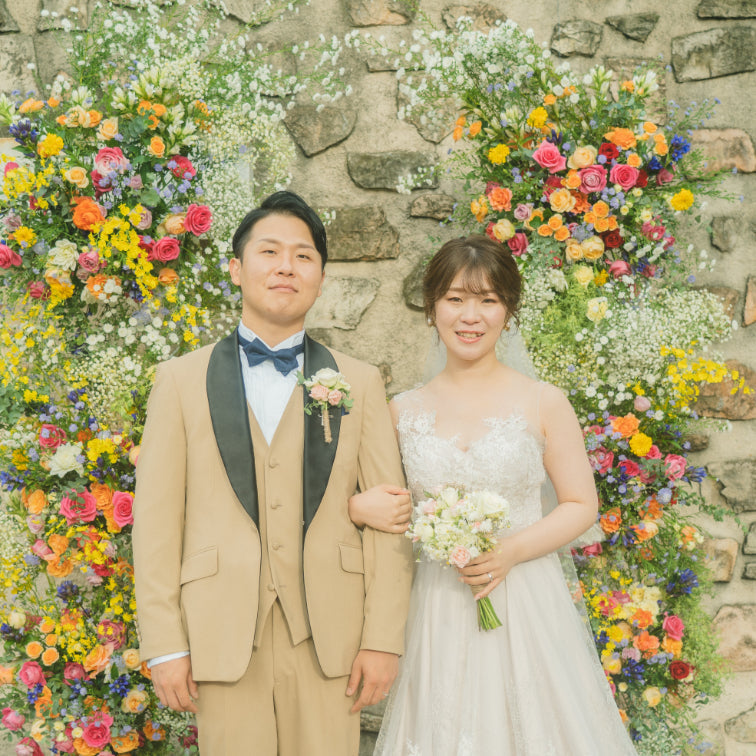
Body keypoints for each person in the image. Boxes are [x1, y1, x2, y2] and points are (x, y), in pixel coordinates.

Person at [132, 191, 413, 755]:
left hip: (331, 636)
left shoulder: (359, 382)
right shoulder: (179, 381)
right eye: (269, 252)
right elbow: (156, 522)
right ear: (237, 269)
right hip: (220, 633)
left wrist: (383, 638)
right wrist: (164, 643)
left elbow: (390, 516)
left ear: (321, 278)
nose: (287, 266)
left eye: (303, 256)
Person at [349, 235, 637, 754]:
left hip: (524, 596)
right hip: (439, 602)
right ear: (432, 307)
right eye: (455, 298)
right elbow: (387, 504)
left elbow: (581, 504)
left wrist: (509, 551)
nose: (470, 316)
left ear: (508, 310)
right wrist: (356, 507)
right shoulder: (401, 411)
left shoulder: (543, 402)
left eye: (488, 300)